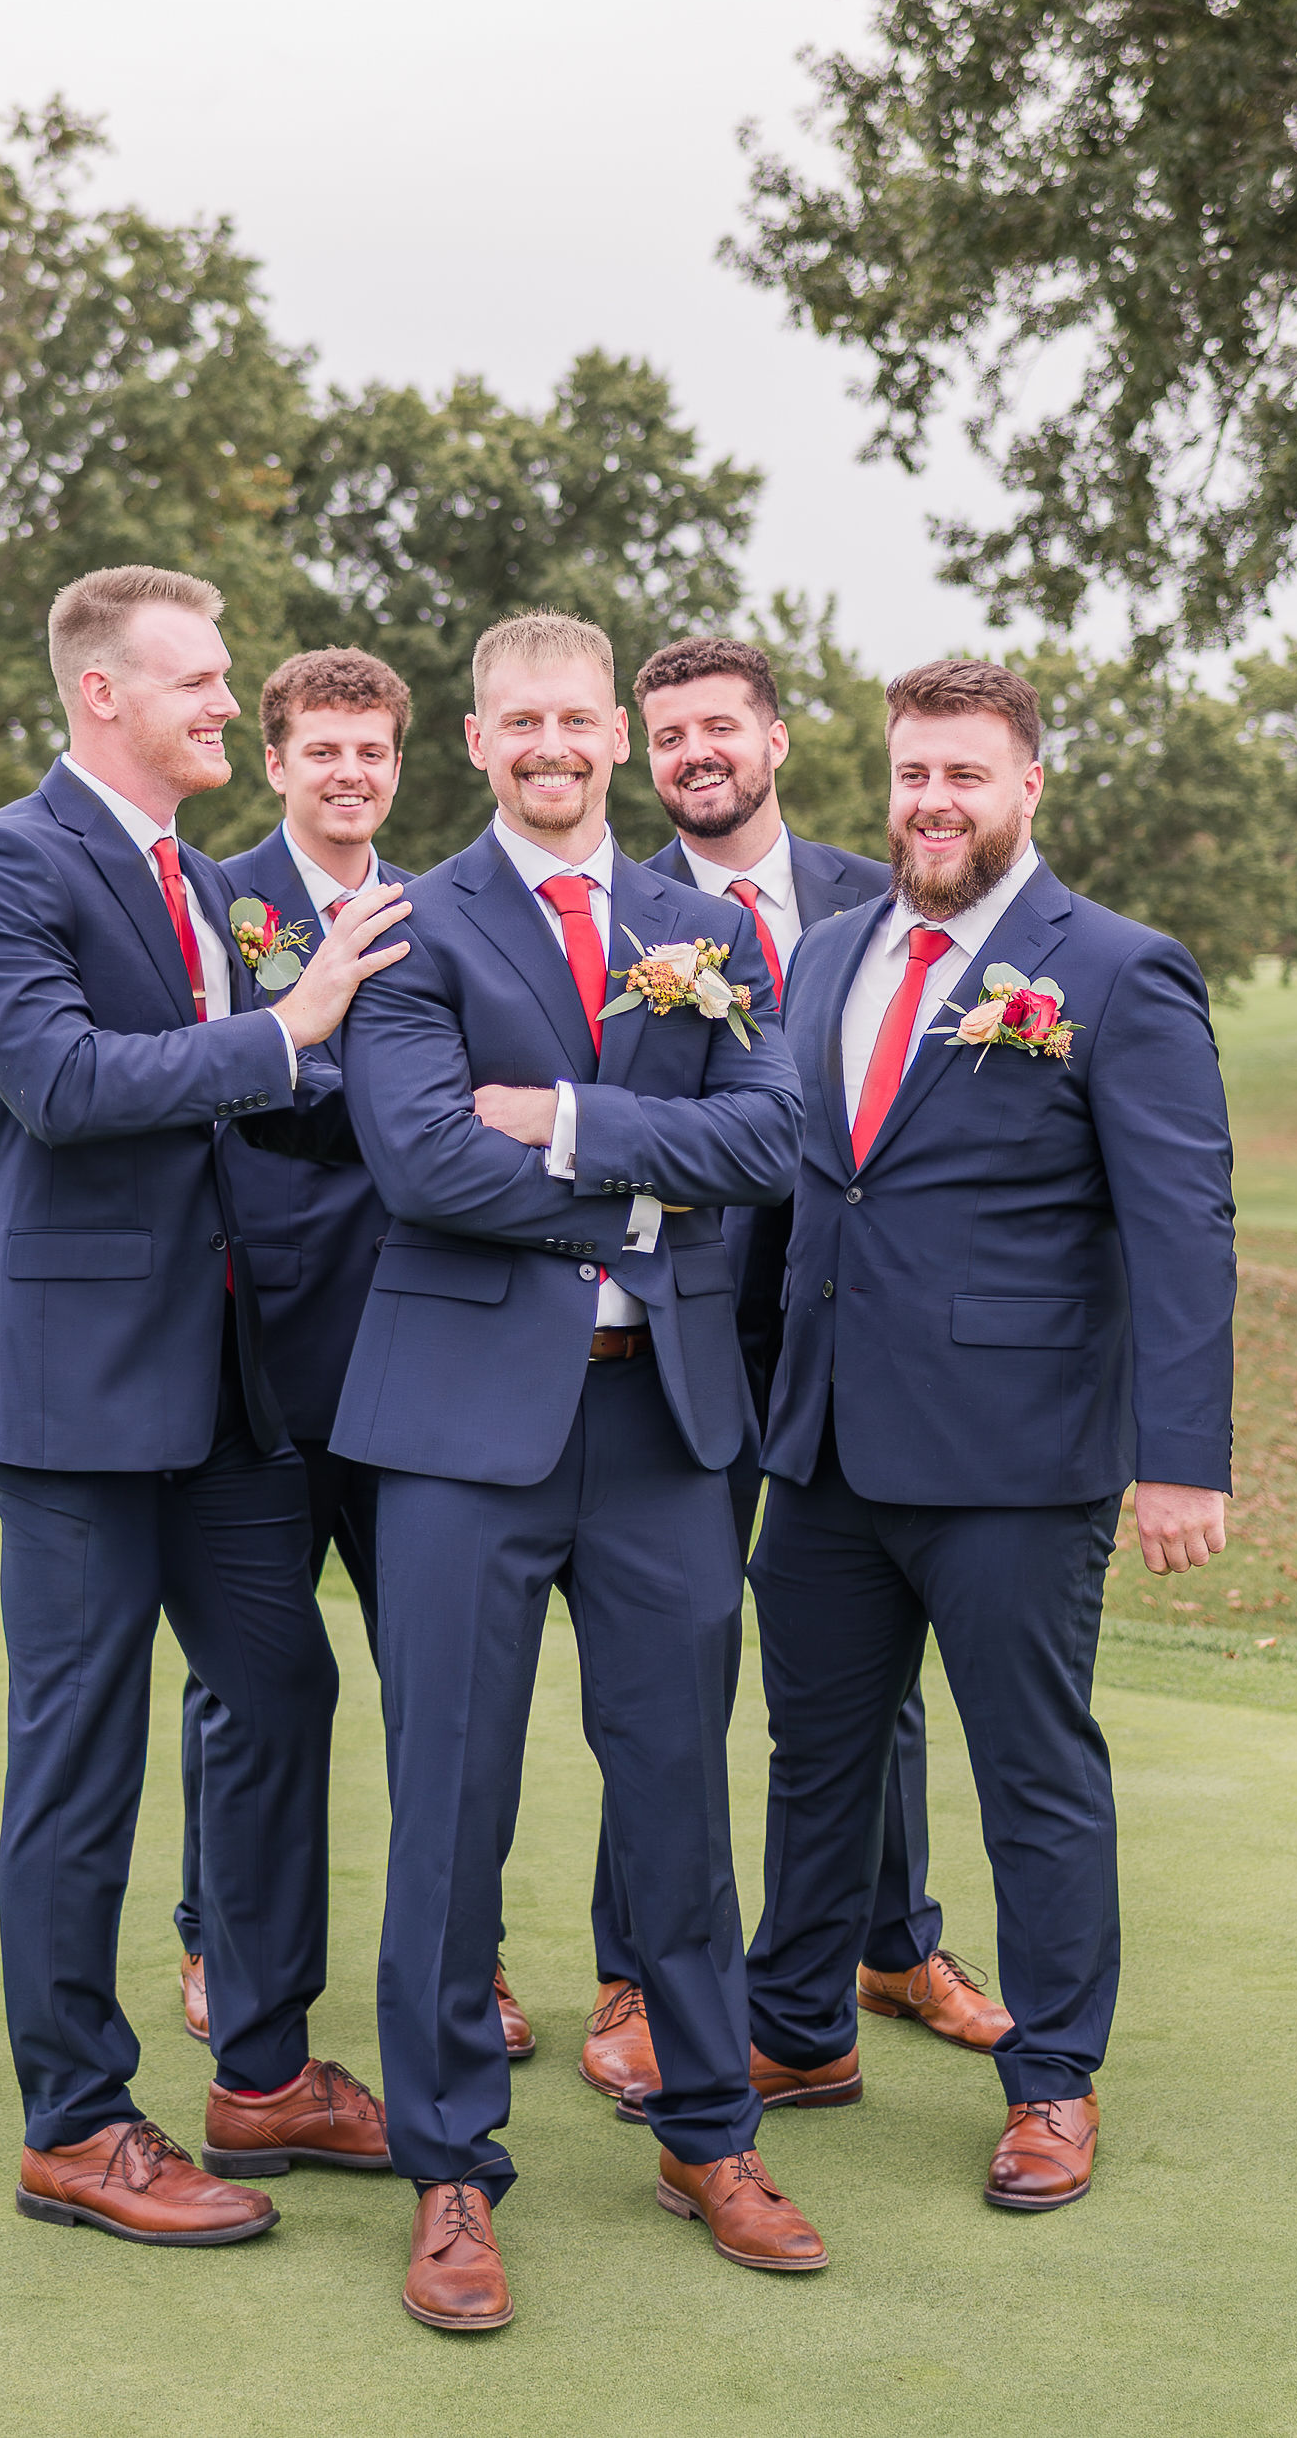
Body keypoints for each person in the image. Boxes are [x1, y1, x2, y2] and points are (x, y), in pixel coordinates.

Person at [330, 609, 826, 2330]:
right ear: (477, 741)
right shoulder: (412, 920)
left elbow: (774, 1139)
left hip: (666, 1423)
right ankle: (451, 2172)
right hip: (462, 1431)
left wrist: (553, 1119)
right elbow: (411, 1160)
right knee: (448, 1807)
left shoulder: (703, 927)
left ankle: (709, 2129)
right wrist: (641, 1180)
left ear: (619, 733)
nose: (551, 744)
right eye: (517, 720)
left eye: (576, 718)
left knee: (680, 1793)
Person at [0, 567, 409, 2243]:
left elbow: (277, 1101)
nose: (226, 703)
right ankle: (74, 2122)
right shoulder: (3, 865)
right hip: (67, 1398)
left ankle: (261, 2070)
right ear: (98, 697)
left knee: (279, 1687)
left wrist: (497, 1117)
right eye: (198, 682)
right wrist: (291, 1029)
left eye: (223, 680)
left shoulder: (203, 882)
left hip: (224, 1390)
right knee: (78, 1757)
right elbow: (61, 1087)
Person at [741, 656, 1235, 2210]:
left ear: (1028, 786)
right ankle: (801, 2028)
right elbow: (803, 1181)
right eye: (910, 774)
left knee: (1034, 1772)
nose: (933, 801)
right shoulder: (826, 957)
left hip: (1019, 1460)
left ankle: (1050, 2082)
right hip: (820, 1447)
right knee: (816, 1761)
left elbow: (1183, 1224)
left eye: (964, 773)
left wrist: (1184, 1455)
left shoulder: (1116, 969)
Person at [579, 635, 1007, 2120]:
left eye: (721, 727)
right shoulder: (610, 912)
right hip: (676, 1336)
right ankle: (637, 1967)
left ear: (773, 739)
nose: (696, 750)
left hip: (849, 1339)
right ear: (647, 752)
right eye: (670, 731)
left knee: (863, 1676)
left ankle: (892, 1946)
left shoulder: (877, 895)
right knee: (671, 1663)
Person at [171, 646, 531, 2059]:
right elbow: (252, 1091)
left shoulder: (439, 913)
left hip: (428, 1358)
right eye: (322, 749)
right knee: (250, 1688)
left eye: (371, 752)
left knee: (450, 1688)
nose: (349, 773)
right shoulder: (220, 902)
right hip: (263, 1353)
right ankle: (221, 1938)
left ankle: (469, 1960)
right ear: (276, 760)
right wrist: (411, 1102)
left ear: (401, 762)